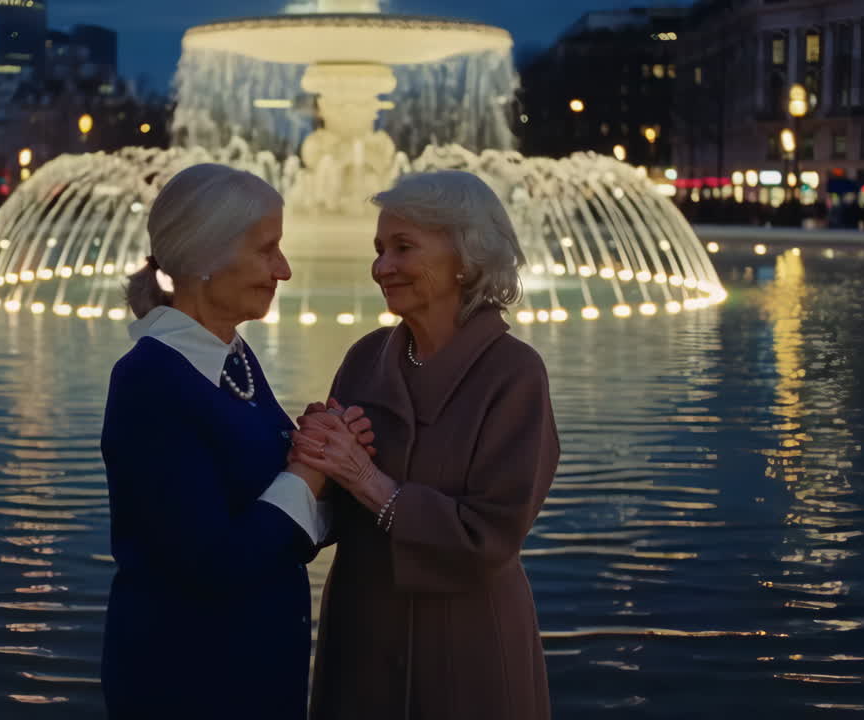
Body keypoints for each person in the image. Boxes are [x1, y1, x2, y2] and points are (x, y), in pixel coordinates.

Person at [100, 163, 369, 719]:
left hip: (251, 673)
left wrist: (336, 456)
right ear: (205, 256)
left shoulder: (233, 359)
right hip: (189, 680)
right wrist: (308, 472)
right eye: (267, 249)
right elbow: (212, 563)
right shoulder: (150, 381)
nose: (284, 269)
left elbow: (276, 526)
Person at [293, 170, 561, 720]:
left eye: (403, 247)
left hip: (465, 650)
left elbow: (490, 536)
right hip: (362, 644)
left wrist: (369, 482)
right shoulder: (364, 358)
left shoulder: (514, 374)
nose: (380, 267)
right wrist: (314, 458)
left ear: (465, 257)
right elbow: (329, 515)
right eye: (379, 249)